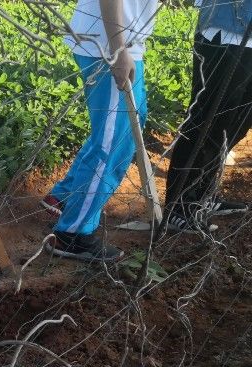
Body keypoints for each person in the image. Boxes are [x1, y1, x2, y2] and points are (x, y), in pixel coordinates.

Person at [40, 0, 158, 261]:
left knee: (119, 132)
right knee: (114, 143)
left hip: (117, 42)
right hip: (110, 45)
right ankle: (72, 233)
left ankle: (67, 196)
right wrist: (118, 49)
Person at [163, 0, 251, 232]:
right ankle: (178, 207)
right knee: (208, 119)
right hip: (226, 29)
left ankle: (203, 193)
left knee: (238, 121)